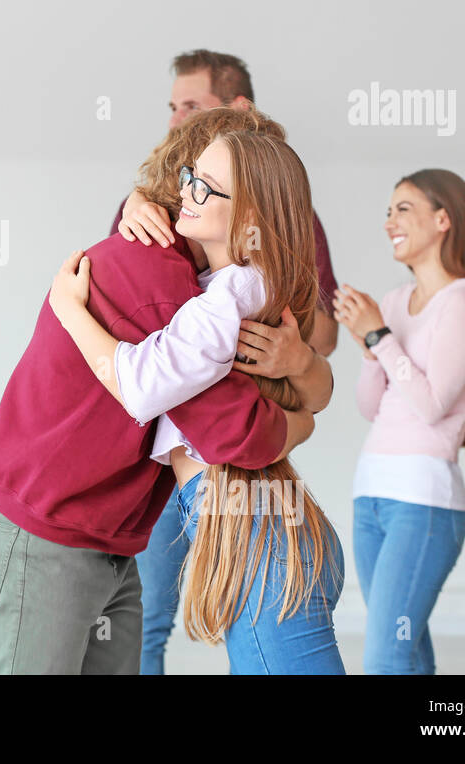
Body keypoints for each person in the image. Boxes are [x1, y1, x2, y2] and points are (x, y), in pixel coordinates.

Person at [0, 110, 331, 674]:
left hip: (110, 534)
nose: (192, 194)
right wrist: (306, 414)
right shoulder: (173, 281)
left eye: (209, 185)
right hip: (56, 534)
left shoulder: (219, 288)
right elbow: (234, 427)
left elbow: (237, 417)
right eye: (192, 179)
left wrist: (309, 388)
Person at [111, 48, 341, 673]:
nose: (176, 119)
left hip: (243, 507)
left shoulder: (243, 275)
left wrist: (298, 364)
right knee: (147, 623)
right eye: (173, 107)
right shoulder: (160, 218)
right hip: (229, 498)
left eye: (192, 105)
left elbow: (142, 382)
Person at [333, 169, 465, 674]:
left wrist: (378, 337)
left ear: (443, 219)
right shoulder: (390, 304)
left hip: (424, 502)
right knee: (406, 652)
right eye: (387, 212)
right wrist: (369, 347)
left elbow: (432, 407)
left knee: (386, 657)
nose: (389, 222)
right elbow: (371, 408)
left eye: (403, 209)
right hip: (372, 495)